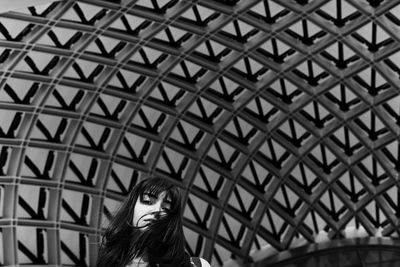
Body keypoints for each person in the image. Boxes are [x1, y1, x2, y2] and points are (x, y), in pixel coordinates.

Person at [96, 177, 211, 267]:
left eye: (166, 208)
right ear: (131, 207)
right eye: (148, 201)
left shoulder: (198, 265)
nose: (157, 210)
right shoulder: (106, 260)